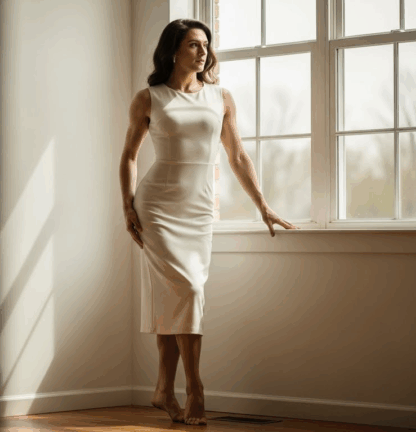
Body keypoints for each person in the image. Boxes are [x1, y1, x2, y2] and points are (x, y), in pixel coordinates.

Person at [119, 19, 299, 425]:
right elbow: (129, 155)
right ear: (172, 51)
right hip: (157, 208)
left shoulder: (221, 97)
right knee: (188, 289)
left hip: (199, 210)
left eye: (205, 45)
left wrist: (263, 205)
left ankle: (163, 390)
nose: (203, 52)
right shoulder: (149, 98)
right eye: (193, 45)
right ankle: (196, 389)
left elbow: (237, 156)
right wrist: (127, 205)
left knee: (176, 297)